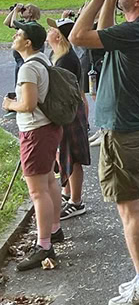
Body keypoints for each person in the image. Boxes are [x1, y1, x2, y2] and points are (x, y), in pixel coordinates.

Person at [69, 0, 139, 304]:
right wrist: (112, 0)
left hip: (123, 132)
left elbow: (78, 36)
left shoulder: (138, 31)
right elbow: (105, 31)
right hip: (137, 126)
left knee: (130, 210)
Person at [3, 21, 64, 271]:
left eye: (18, 34)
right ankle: (54, 230)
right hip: (49, 128)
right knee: (49, 182)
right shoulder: (43, 60)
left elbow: (28, 104)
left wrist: (9, 104)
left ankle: (44, 246)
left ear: (27, 42)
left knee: (38, 191)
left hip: (35, 132)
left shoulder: (28, 69)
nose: (14, 36)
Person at [45, 18, 91, 220]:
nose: (48, 33)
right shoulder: (59, 56)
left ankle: (76, 201)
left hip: (69, 113)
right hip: (69, 111)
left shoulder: (65, 60)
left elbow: (62, 92)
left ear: (58, 36)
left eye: (51, 30)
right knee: (64, 155)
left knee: (72, 157)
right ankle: (67, 193)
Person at [3, 3, 41, 119]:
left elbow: (13, 22)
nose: (22, 11)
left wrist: (16, 11)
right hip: (19, 59)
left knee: (23, 84)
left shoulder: (30, 26)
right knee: (18, 85)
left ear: (30, 12)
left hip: (24, 60)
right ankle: (17, 106)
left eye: (25, 9)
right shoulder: (25, 24)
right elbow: (6, 22)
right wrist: (15, 10)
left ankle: (19, 107)